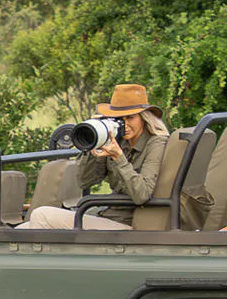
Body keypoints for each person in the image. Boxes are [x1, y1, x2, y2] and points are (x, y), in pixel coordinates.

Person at [20, 84, 171, 230]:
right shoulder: (118, 140)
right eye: (118, 119)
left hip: (128, 222)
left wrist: (118, 158)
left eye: (130, 118)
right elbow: (84, 180)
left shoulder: (156, 143)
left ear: (144, 118)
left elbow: (142, 195)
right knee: (23, 229)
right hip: (107, 215)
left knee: (41, 215)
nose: (124, 124)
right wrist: (94, 142)